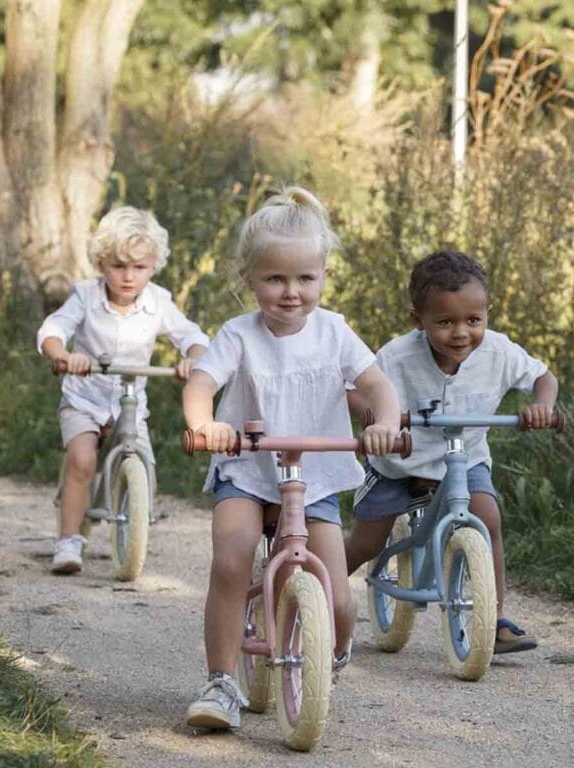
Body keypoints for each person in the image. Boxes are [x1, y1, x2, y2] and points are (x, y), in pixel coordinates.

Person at [181, 186, 400, 730]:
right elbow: (202, 383)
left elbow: (377, 386)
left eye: (305, 279)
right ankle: (221, 682)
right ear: (248, 278)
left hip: (315, 476)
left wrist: (386, 423)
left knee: (338, 598)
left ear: (324, 275)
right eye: (275, 279)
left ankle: (329, 652)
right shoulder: (238, 334)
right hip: (248, 471)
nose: (290, 292)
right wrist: (204, 425)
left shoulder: (335, 332)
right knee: (232, 561)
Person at [345, 250, 559, 654]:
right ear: (417, 320)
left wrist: (541, 406)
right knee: (368, 541)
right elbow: (356, 392)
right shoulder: (396, 356)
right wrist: (375, 422)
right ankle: (319, 595)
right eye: (444, 322)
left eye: (473, 320)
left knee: (488, 518)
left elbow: (543, 377)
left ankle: (492, 620)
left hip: (464, 459)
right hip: (398, 462)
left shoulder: (498, 351)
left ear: (488, 313)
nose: (461, 332)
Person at [37, 206, 209, 575]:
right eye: (118, 266)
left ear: (153, 266)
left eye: (139, 267)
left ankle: (133, 526)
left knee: (143, 465)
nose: (128, 276)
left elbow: (192, 336)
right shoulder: (85, 296)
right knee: (83, 461)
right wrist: (64, 354)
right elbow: (54, 329)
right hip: (84, 399)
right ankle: (68, 541)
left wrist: (192, 359)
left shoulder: (158, 302)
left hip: (130, 404)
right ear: (101, 264)